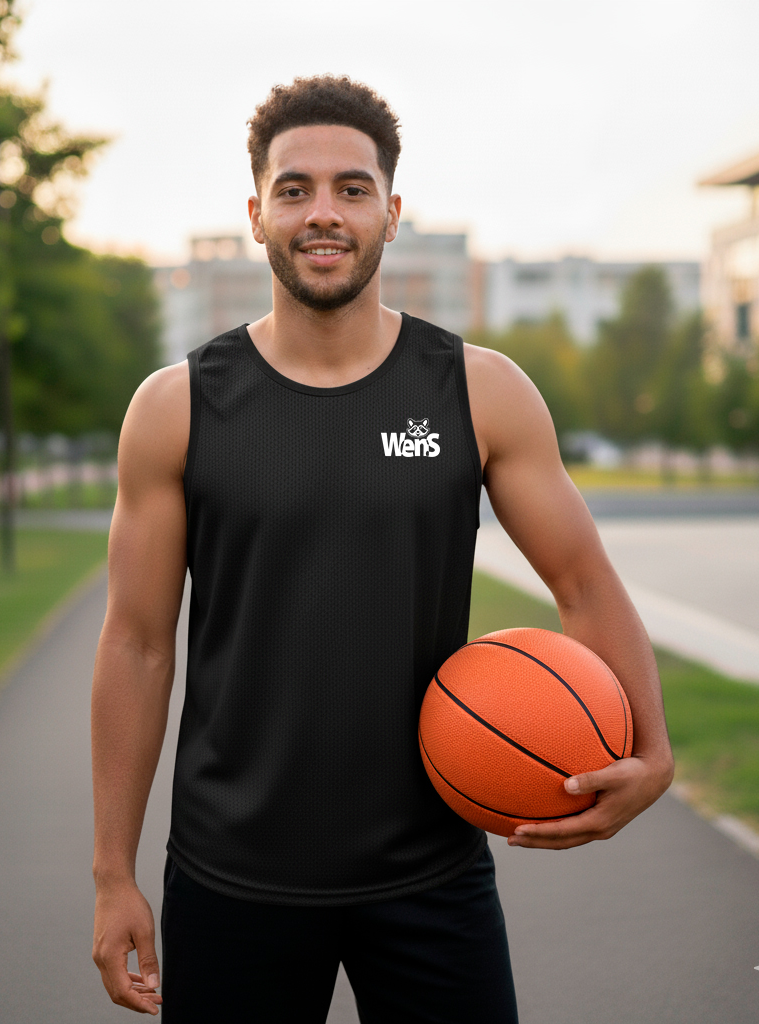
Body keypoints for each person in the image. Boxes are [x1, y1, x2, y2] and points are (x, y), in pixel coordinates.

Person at [91, 75, 674, 1022]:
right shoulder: (177, 407)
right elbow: (136, 643)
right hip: (230, 872)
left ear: (392, 213)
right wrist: (112, 872)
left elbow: (581, 579)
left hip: (430, 869)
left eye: (352, 189)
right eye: (295, 189)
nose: (324, 213)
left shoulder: (479, 391)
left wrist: (653, 753)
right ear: (256, 214)